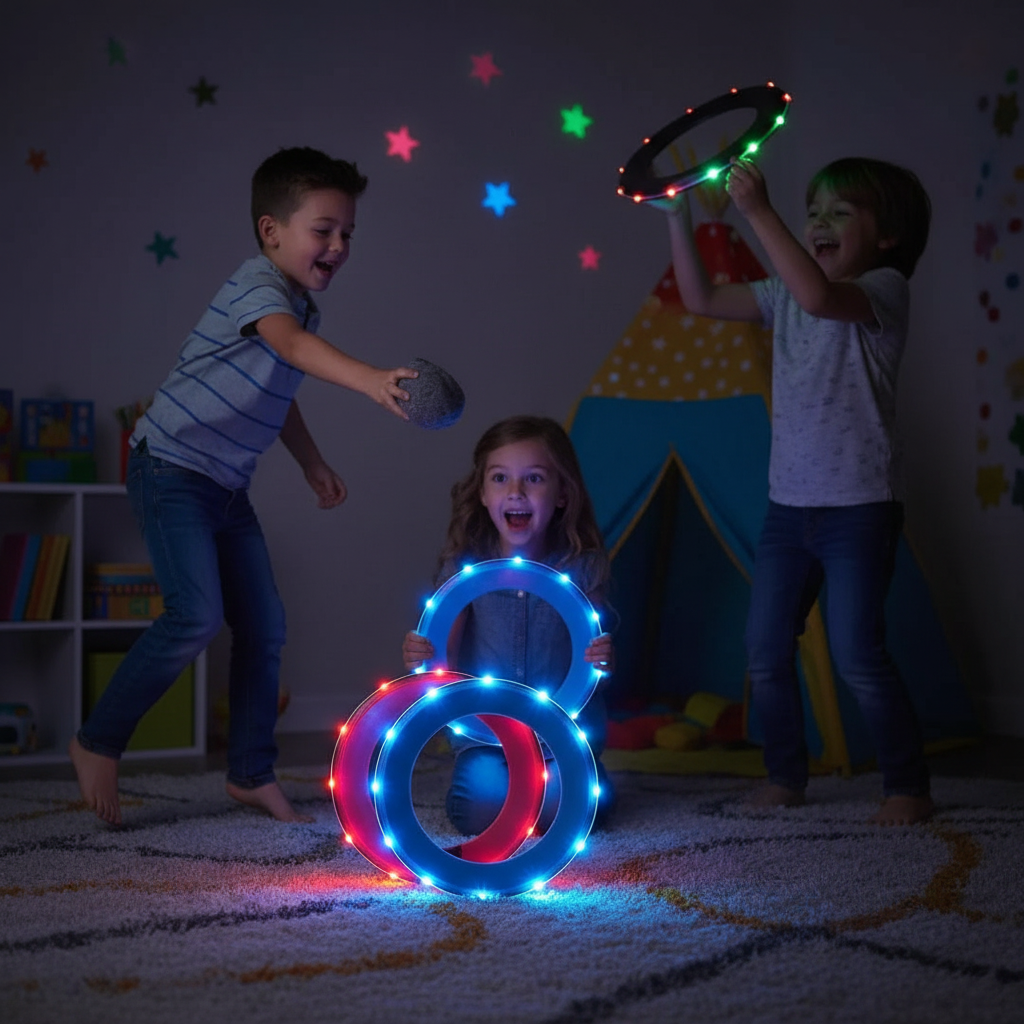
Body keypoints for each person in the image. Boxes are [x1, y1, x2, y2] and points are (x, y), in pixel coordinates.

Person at [70, 146, 418, 825]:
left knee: (264, 625)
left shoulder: (300, 310)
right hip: (170, 469)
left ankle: (250, 772)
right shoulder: (257, 286)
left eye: (348, 233)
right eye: (324, 230)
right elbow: (289, 350)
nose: (339, 246)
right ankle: (97, 739)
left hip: (226, 487)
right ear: (271, 231)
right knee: (195, 615)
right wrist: (372, 380)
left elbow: (276, 390)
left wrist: (311, 463)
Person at [659, 155, 933, 825]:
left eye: (840, 212)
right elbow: (700, 299)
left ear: (888, 235)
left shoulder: (884, 288)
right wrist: (677, 215)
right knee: (765, 648)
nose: (819, 223)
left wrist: (757, 209)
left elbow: (817, 297)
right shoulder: (784, 295)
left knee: (858, 654)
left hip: (861, 508)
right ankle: (786, 777)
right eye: (814, 212)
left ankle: (907, 787)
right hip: (789, 509)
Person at [402, 415, 617, 835]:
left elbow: (594, 659)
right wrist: (419, 655)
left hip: (562, 734)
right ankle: (524, 789)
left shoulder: (581, 567)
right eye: (500, 478)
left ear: (562, 493)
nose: (515, 491)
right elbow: (440, 655)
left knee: (565, 809)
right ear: (483, 494)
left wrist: (605, 658)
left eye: (534, 478)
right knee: (479, 809)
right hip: (485, 736)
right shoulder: (464, 568)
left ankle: (583, 783)